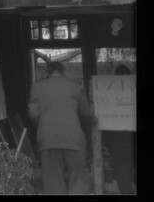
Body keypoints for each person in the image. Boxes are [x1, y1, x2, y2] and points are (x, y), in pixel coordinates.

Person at [27, 61, 96, 194]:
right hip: (73, 138)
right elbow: (86, 113)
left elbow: (33, 114)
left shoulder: (37, 88)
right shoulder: (75, 87)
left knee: (53, 183)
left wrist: (43, 126)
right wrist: (93, 121)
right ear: (63, 72)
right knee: (79, 180)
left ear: (47, 72)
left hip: (48, 139)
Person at [101, 64, 135, 194]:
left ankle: (127, 193)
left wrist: (106, 142)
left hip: (118, 141)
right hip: (122, 140)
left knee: (122, 172)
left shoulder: (108, 95)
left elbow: (106, 117)